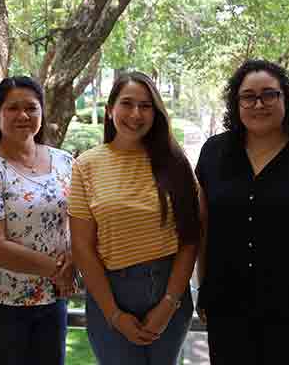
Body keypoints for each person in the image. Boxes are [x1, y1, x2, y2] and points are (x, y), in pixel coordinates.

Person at [196, 59, 289, 364]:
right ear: (236, 103)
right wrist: (204, 289)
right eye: (248, 96)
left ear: (285, 99)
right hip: (226, 308)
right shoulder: (213, 153)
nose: (258, 103)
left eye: (269, 94)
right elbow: (204, 228)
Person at [70, 71, 199, 365]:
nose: (135, 114)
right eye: (127, 104)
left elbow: (190, 240)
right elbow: (82, 247)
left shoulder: (175, 163)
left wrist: (168, 304)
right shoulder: (85, 165)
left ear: (156, 113)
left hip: (170, 289)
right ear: (110, 110)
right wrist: (114, 314)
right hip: (110, 292)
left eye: (145, 106)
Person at [0, 76, 75, 365]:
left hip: (51, 299)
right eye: (12, 108)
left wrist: (73, 260)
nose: (23, 115)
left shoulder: (64, 162)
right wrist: (58, 271)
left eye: (31, 108)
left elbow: (77, 219)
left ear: (41, 113)